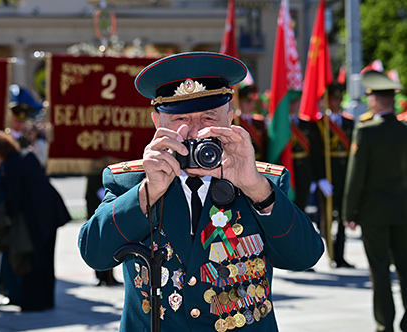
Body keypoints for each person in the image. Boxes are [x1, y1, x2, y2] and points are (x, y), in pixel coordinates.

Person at [78, 52, 324, 331]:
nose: (196, 132)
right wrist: (148, 192)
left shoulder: (261, 182)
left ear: (230, 117)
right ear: (157, 122)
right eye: (180, 119)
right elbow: (94, 255)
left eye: (209, 117)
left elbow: (305, 257)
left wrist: (255, 187)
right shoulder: (129, 182)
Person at [343, 71, 407, 332]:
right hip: (403, 210)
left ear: (375, 101)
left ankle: (385, 324)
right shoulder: (404, 131)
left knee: (379, 270)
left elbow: (356, 177)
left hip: (374, 213)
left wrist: (349, 211)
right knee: (405, 266)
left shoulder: (367, 132)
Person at [0, 130, 71, 311]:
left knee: (33, 260)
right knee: (47, 259)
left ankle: (33, 301)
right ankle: (47, 299)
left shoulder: (10, 166)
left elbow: (14, 198)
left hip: (33, 218)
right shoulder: (27, 157)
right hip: (50, 214)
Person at [317, 83, 355, 268]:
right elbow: (316, 153)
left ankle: (340, 255)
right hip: (328, 175)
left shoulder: (349, 122)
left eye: (339, 99)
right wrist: (320, 178)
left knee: (343, 215)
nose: (337, 102)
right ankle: (330, 253)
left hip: (344, 173)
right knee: (327, 217)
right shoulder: (320, 124)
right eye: (333, 99)